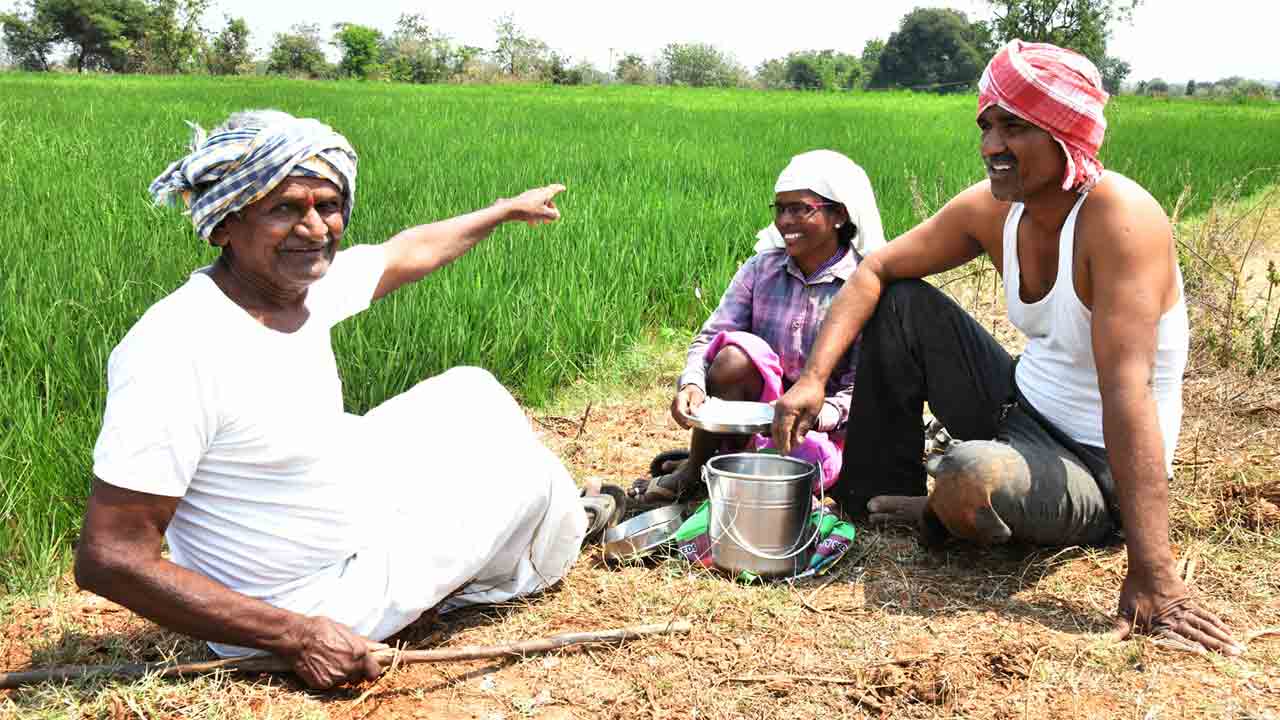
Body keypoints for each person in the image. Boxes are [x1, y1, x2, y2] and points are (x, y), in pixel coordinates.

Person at [74, 110, 618, 691]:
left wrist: (505, 209)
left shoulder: (295, 289)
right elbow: (110, 557)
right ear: (224, 224)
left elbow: (408, 251)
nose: (314, 228)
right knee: (527, 476)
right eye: (284, 208)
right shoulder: (176, 348)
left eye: (327, 206)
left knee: (470, 390)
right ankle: (521, 559)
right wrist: (296, 635)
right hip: (303, 599)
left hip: (329, 516)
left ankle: (526, 528)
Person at [771, 41, 1243, 655]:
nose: (993, 145)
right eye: (987, 125)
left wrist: (1157, 575)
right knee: (901, 298)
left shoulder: (1120, 220)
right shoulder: (997, 210)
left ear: (1064, 133)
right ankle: (872, 494)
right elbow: (874, 269)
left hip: (1093, 464)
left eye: (1015, 126)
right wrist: (812, 379)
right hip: (1017, 407)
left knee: (969, 473)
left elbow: (1127, 393)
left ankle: (946, 508)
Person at [631, 150, 886, 507]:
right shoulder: (761, 269)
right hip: (755, 413)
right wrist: (691, 383)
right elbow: (709, 338)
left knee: (802, 473)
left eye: (800, 209)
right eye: (780, 209)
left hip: (819, 426)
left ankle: (739, 465)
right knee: (732, 354)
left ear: (839, 215)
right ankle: (696, 468)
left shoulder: (863, 283)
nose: (786, 221)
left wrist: (819, 416)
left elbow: (861, 384)